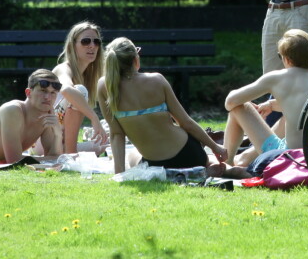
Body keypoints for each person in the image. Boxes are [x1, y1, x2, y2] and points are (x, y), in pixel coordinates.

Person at [97, 37, 228, 174]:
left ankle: (201, 170)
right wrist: (215, 147)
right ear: (135, 58)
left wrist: (119, 174)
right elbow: (185, 122)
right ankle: (210, 167)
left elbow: (117, 134)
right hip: (190, 155)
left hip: (156, 164)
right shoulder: (157, 80)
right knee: (137, 154)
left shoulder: (104, 87)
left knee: (132, 155)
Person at [222, 30, 308, 168]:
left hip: (289, 157)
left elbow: (230, 102)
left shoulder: (278, 77)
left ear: (287, 58)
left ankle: (225, 163)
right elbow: (301, 106)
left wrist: (233, 92)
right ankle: (243, 159)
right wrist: (271, 104)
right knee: (289, 118)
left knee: (239, 107)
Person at [32, 21, 109, 155]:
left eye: (96, 42)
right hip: (45, 140)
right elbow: (66, 89)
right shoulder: (63, 69)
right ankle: (70, 155)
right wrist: (94, 118)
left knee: (102, 144)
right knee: (79, 91)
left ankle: (67, 152)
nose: (92, 46)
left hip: (59, 142)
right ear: (73, 45)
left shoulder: (89, 75)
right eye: (85, 41)